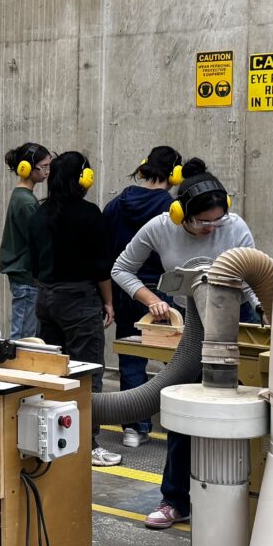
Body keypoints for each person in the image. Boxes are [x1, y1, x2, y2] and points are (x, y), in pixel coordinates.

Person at [112, 157, 262, 529]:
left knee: (249, 409)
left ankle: (254, 498)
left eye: (217, 221)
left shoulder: (234, 226)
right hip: (192, 329)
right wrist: (152, 299)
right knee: (184, 409)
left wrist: (265, 312)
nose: (212, 228)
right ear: (181, 215)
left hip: (236, 321)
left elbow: (254, 280)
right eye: (203, 222)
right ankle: (175, 501)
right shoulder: (160, 228)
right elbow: (121, 268)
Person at [28, 151, 122, 468]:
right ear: (84, 179)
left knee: (51, 370)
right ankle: (87, 445)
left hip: (46, 298)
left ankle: (49, 441)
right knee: (87, 372)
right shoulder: (89, 214)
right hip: (80, 300)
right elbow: (101, 267)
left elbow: (33, 267)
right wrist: (108, 301)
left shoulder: (38, 214)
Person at [103, 146, 182, 448]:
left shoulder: (117, 203)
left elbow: (108, 250)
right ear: (175, 174)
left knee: (131, 360)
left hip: (126, 289)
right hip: (162, 291)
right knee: (175, 362)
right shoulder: (172, 209)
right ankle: (178, 426)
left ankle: (134, 428)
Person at [0, 142, 52, 340]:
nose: (47, 171)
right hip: (26, 278)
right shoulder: (26, 202)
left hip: (25, 277)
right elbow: (37, 242)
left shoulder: (23, 197)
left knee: (27, 337)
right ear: (27, 167)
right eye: (44, 166)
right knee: (23, 338)